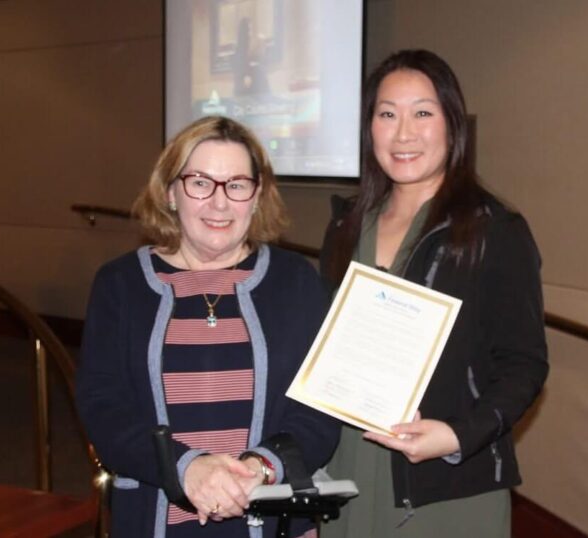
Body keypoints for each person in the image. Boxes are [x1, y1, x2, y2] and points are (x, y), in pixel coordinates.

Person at [319, 49, 549, 537]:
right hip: (348, 462)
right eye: (387, 115)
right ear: (369, 128)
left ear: (453, 125)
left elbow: (524, 364)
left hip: (444, 479)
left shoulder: (494, 231)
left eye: (422, 113)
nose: (403, 133)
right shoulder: (346, 226)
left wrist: (457, 435)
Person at [76, 116, 339, 538]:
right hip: (154, 518)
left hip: (271, 516)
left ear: (257, 196)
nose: (220, 203)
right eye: (200, 183)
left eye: (236, 185)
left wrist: (261, 467)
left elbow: (318, 412)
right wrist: (186, 467)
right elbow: (103, 408)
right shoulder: (120, 284)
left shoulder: (296, 281)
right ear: (170, 192)